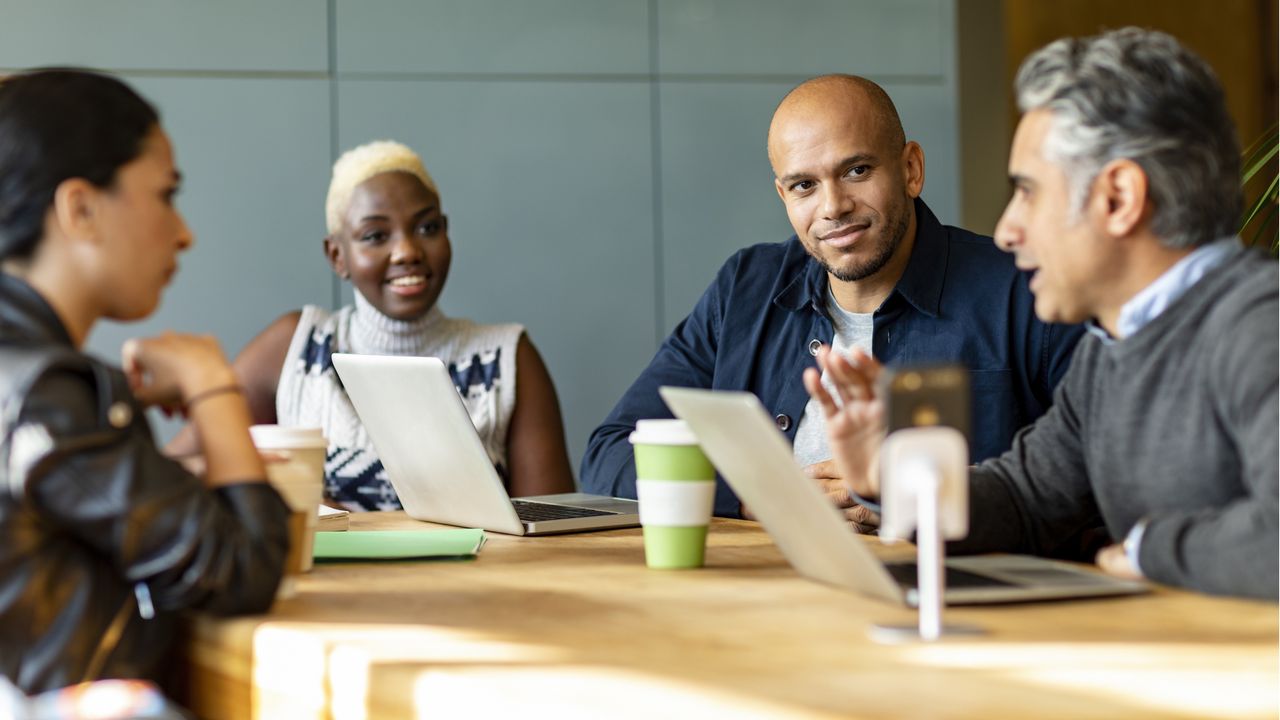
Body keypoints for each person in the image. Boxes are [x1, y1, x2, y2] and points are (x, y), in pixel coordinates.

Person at [809, 28, 1278, 600]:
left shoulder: (1260, 326)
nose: (1007, 232)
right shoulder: (1113, 350)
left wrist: (1146, 550)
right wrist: (894, 476)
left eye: (1029, 192)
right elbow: (1024, 501)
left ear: (1118, 199)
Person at [581, 75, 1083, 522]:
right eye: (804, 185)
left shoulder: (1026, 289)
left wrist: (903, 495)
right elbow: (609, 456)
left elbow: (1094, 480)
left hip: (944, 599)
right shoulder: (745, 288)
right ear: (784, 197)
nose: (834, 207)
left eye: (858, 171)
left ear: (911, 169)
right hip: (759, 598)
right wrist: (759, 493)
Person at [0, 69, 290, 693]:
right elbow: (243, 568)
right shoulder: (46, 392)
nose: (183, 233)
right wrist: (213, 386)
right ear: (80, 208)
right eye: (166, 194)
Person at [179, 140, 575, 511]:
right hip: (322, 586)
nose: (407, 251)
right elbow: (176, 469)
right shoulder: (295, 346)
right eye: (375, 235)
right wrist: (285, 500)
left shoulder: (507, 358)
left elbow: (554, 537)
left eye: (427, 227)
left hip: (469, 586)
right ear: (337, 256)